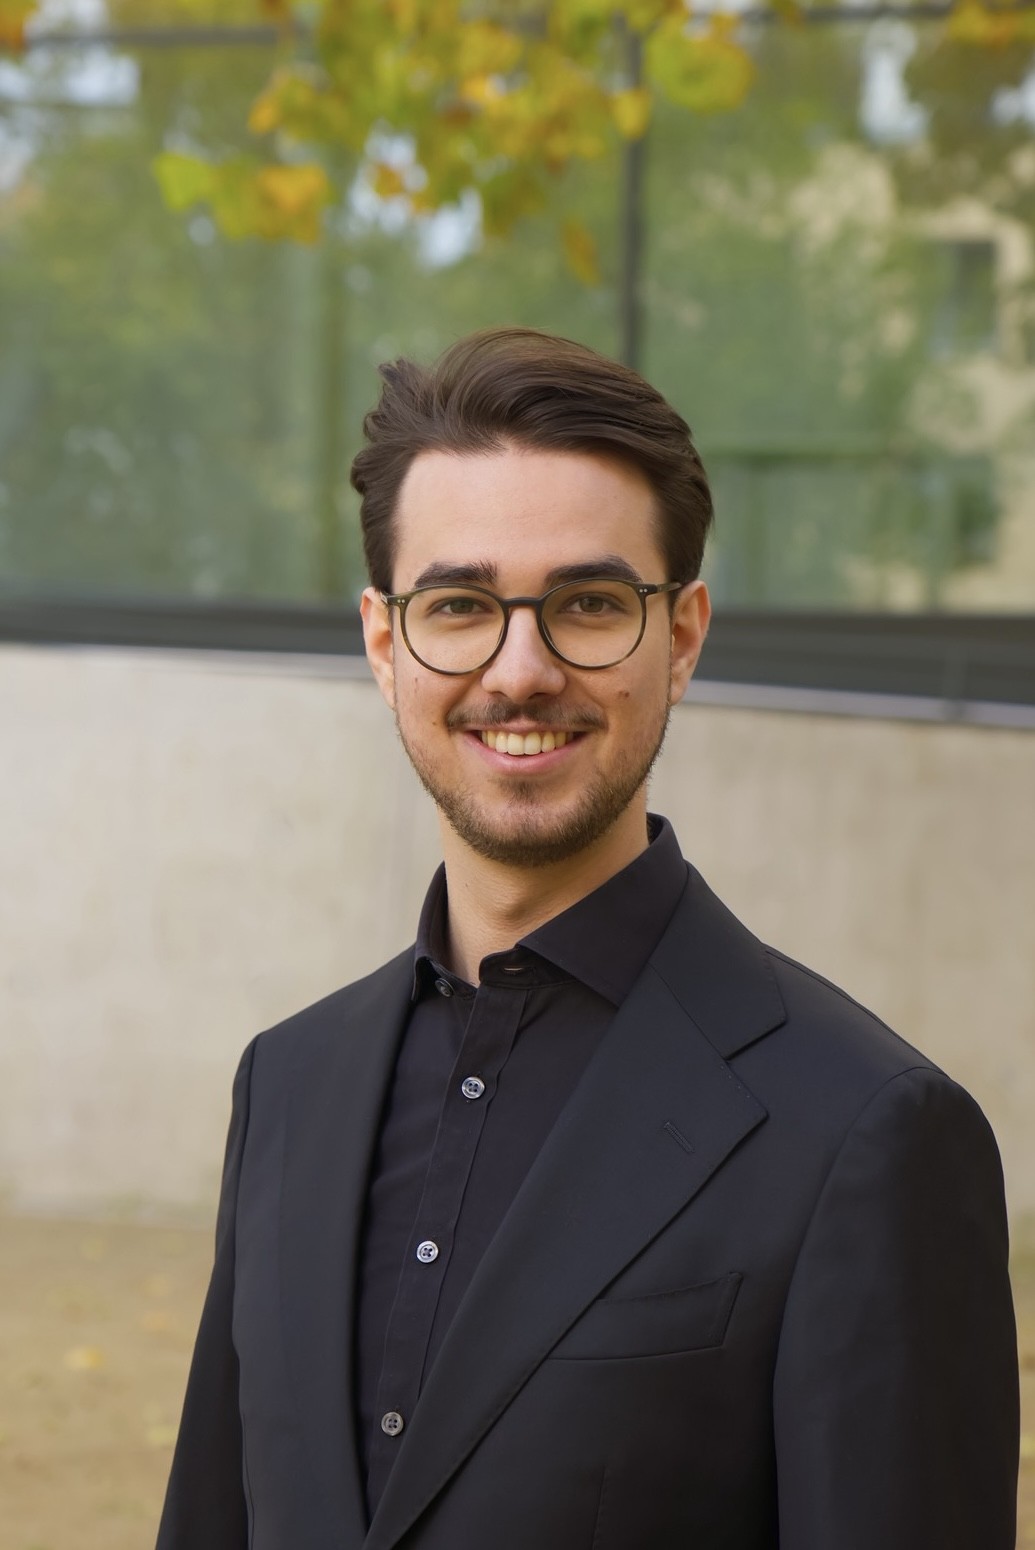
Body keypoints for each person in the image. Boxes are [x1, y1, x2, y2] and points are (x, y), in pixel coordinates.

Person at [156, 327, 1019, 1550]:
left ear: (683, 636)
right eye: (460, 605)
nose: (521, 670)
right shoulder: (287, 1085)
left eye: (590, 604)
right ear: (386, 642)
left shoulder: (868, 1130)